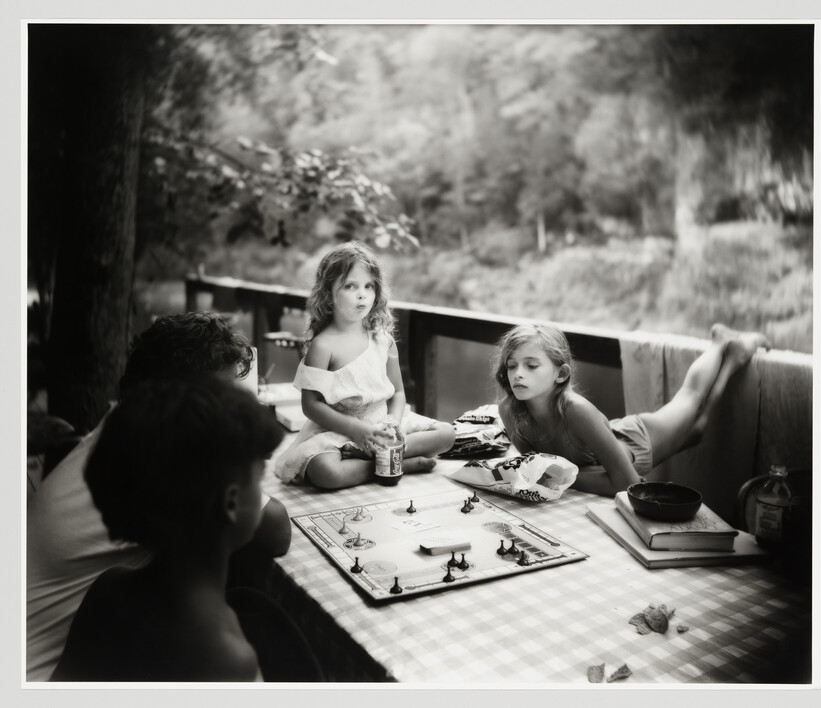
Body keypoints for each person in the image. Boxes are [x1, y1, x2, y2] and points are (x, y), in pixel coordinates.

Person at [27, 312, 292, 682]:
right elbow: (278, 531)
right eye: (223, 400)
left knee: (252, 607)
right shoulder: (225, 657)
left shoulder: (123, 438)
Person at [495, 322, 769, 497]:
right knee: (696, 431)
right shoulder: (509, 409)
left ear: (561, 373)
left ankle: (721, 343)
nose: (518, 374)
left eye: (531, 365)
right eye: (511, 365)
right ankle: (734, 358)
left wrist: (561, 477)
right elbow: (535, 467)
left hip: (637, 440)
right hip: (605, 444)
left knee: (691, 397)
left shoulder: (577, 410)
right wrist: (557, 473)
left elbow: (626, 483)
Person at [275, 241, 455, 489]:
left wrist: (393, 422)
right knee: (325, 471)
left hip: (383, 423)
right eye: (350, 286)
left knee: (447, 434)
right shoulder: (323, 346)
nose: (362, 294)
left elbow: (398, 393)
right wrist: (357, 430)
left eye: (369, 286)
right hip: (341, 428)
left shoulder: (383, 340)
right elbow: (311, 405)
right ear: (328, 293)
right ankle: (385, 466)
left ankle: (389, 456)